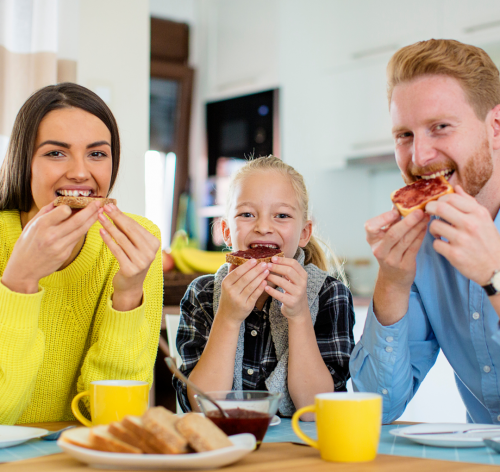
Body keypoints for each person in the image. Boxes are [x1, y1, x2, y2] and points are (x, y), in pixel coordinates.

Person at [350, 39, 500, 424]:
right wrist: (394, 281)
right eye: (404, 135)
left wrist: (493, 276)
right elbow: (378, 408)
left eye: (440, 127)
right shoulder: (425, 247)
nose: (419, 157)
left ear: (495, 127)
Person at [0, 83, 163, 425]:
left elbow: (115, 417)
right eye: (56, 153)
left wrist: (129, 293)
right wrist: (20, 282)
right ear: (24, 160)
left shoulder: (138, 240)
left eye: (97, 153)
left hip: (83, 460)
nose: (79, 172)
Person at [174, 156, 354, 419]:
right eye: (247, 214)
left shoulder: (330, 295)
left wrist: (300, 316)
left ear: (304, 233)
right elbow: (204, 405)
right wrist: (227, 316)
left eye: (281, 215)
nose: (263, 227)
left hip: (299, 450)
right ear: (226, 231)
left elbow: (315, 411)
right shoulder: (202, 294)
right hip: (226, 444)